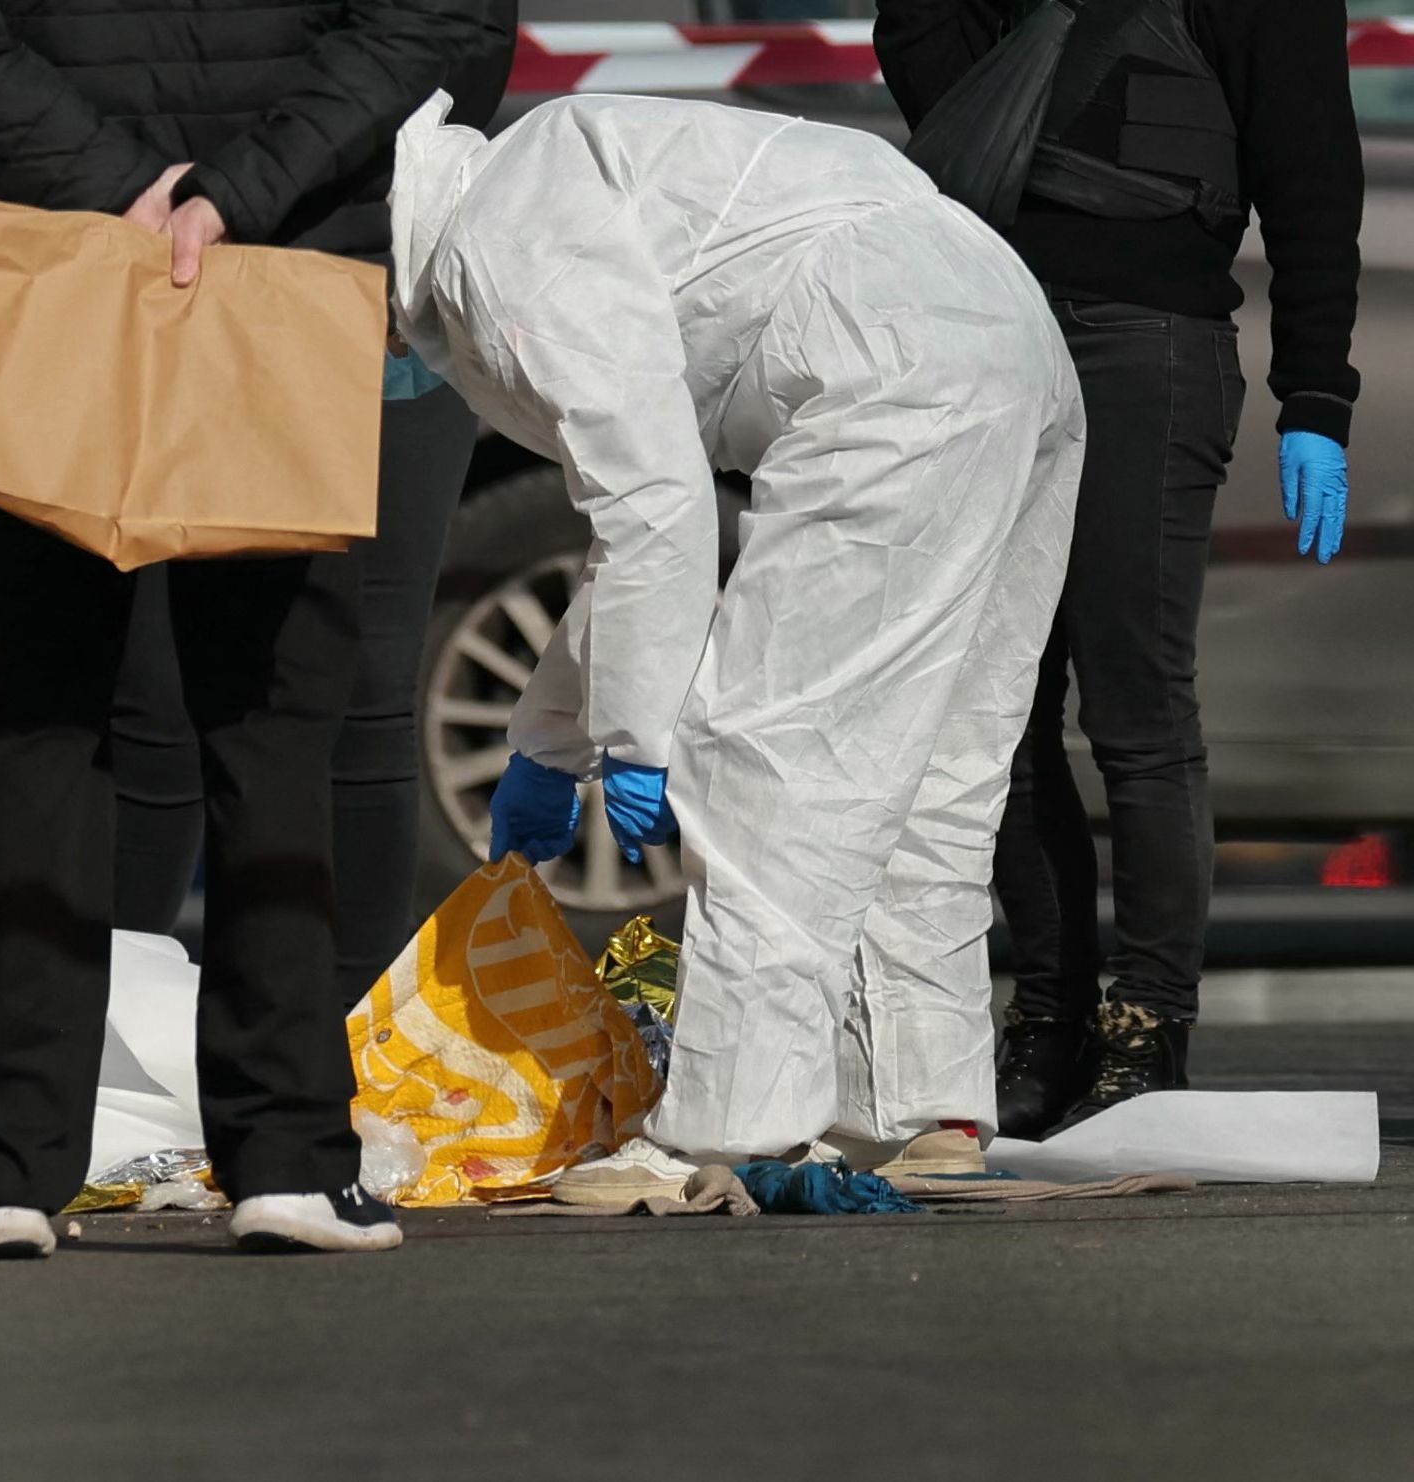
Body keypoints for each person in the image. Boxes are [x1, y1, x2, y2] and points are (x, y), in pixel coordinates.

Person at [0, 0, 506, 1258]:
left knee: (45, 729)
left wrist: (116, 187)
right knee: (275, 733)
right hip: (289, 273)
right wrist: (235, 188)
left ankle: (0, 1168)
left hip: (45, 259)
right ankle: (289, 1159)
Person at [394, 91, 1084, 1201]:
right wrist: (553, 738)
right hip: (1006, 333)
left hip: (887, 361)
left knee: (766, 756)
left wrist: (625, 741)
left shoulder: (499, 247)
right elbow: (639, 533)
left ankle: (727, 1130)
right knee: (932, 769)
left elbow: (655, 511)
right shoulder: (540, 172)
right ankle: (922, 1109)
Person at [875, 1, 1364, 1135]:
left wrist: (1318, 397)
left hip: (1150, 345)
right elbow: (934, 84)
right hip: (987, 326)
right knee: (1003, 703)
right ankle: (1049, 1019)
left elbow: (1313, 181)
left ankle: (1149, 1022)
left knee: (1136, 703)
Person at [107, 11, 515, 1011]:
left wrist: (259, 178)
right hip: (164, 261)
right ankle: (97, 1051)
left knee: (362, 698)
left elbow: (458, 38)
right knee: (147, 700)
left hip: (366, 261)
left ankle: (336, 1055)